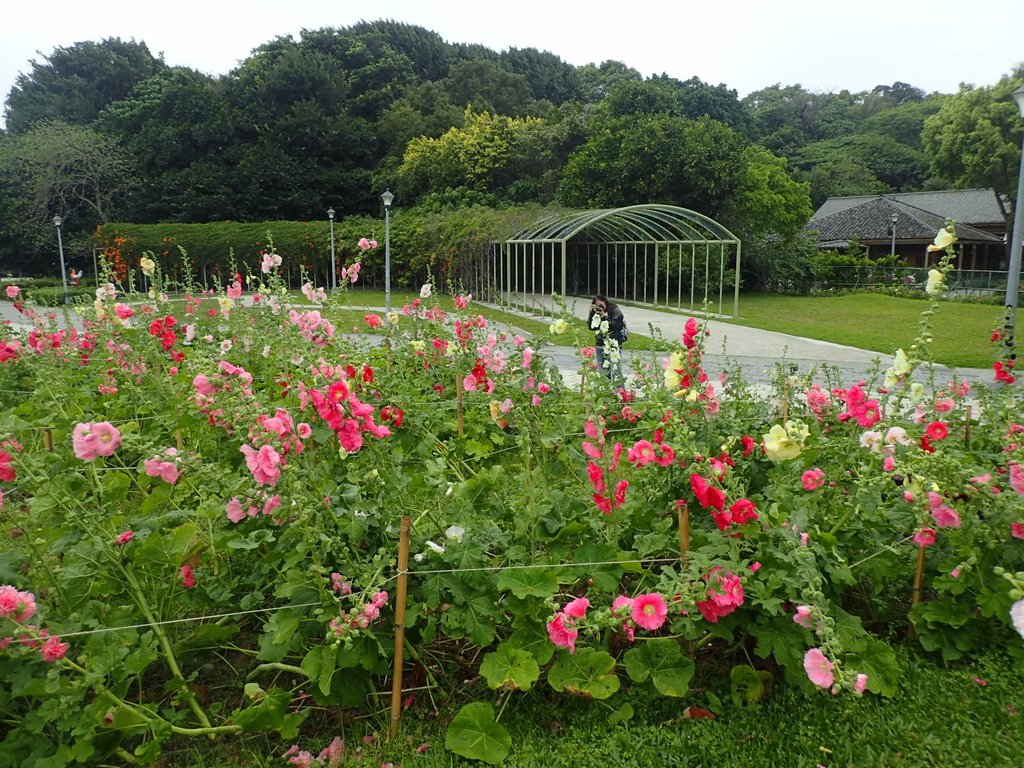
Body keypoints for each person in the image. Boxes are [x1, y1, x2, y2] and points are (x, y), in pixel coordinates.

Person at [589, 293, 627, 381]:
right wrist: (592, 313)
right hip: (600, 344)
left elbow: (615, 325)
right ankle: (607, 393)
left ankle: (620, 393)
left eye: (601, 305)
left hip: (613, 343)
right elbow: (591, 327)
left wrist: (604, 317)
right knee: (602, 372)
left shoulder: (615, 310)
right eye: (597, 305)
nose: (600, 308)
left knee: (616, 371)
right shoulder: (596, 312)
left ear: (605, 302)